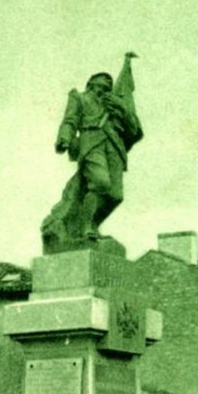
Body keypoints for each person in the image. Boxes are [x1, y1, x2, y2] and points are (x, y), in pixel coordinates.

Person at [41, 54, 142, 250]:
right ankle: (85, 225)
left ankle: (93, 223)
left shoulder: (113, 105)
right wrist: (65, 138)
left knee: (116, 195)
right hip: (91, 143)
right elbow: (70, 120)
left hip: (114, 146)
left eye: (107, 86)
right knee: (100, 182)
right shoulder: (79, 98)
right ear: (91, 84)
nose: (104, 88)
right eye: (100, 85)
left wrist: (121, 108)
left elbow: (134, 130)